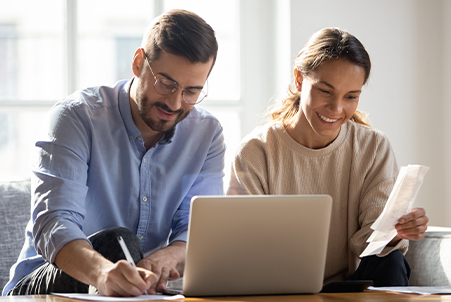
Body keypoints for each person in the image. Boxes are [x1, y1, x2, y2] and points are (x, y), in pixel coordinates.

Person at [3, 9, 225, 297]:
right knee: (117, 242)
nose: (174, 102)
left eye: (191, 92)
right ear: (137, 62)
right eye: (166, 84)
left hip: (137, 289)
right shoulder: (76, 117)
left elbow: (197, 230)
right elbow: (54, 224)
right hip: (42, 285)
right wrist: (104, 273)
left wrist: (167, 257)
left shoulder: (206, 134)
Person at [227, 27, 429, 287]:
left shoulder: (373, 147)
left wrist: (395, 232)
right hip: (278, 285)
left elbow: (373, 240)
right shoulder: (256, 152)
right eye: (325, 91)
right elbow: (244, 247)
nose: (336, 109)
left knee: (391, 262)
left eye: (351, 97)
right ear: (299, 80)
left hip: (351, 287)